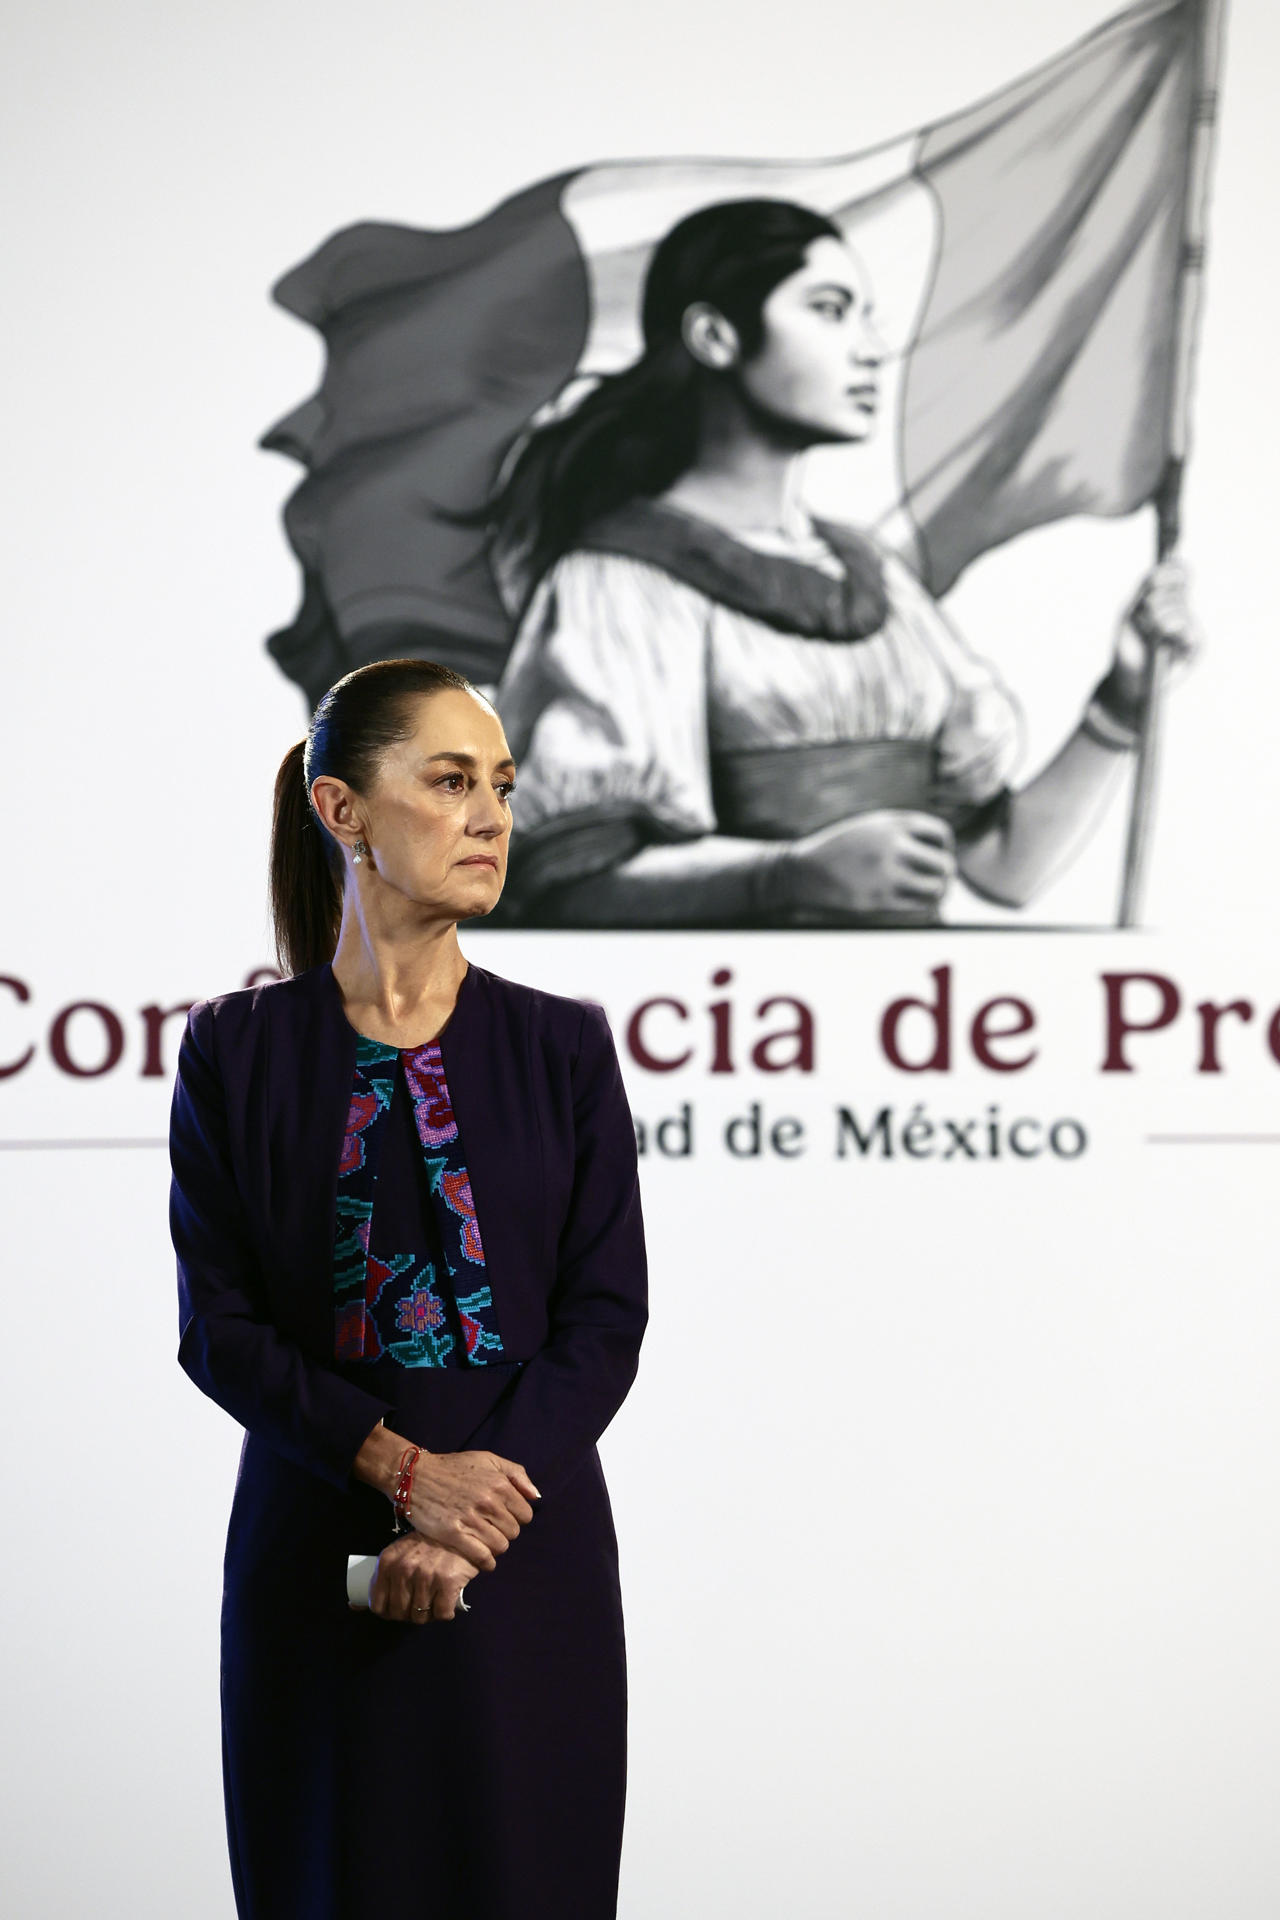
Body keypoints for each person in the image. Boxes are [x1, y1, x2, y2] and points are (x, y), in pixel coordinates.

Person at [169, 658, 647, 1920]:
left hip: (521, 1555)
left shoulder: (563, 1045)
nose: (492, 814)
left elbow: (603, 1322)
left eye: (498, 784)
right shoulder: (234, 1050)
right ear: (344, 811)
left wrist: (464, 1512)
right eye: (449, 782)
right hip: (315, 1569)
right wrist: (399, 1474)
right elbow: (217, 1331)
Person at [489, 198, 1196, 927]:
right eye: (829, 310)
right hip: (728, 1023)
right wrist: (787, 876)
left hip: (901, 1020)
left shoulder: (876, 577)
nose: (869, 348)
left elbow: (1003, 868)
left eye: (865, 315)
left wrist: (1121, 701)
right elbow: (571, 885)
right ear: (715, 335)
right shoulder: (618, 581)